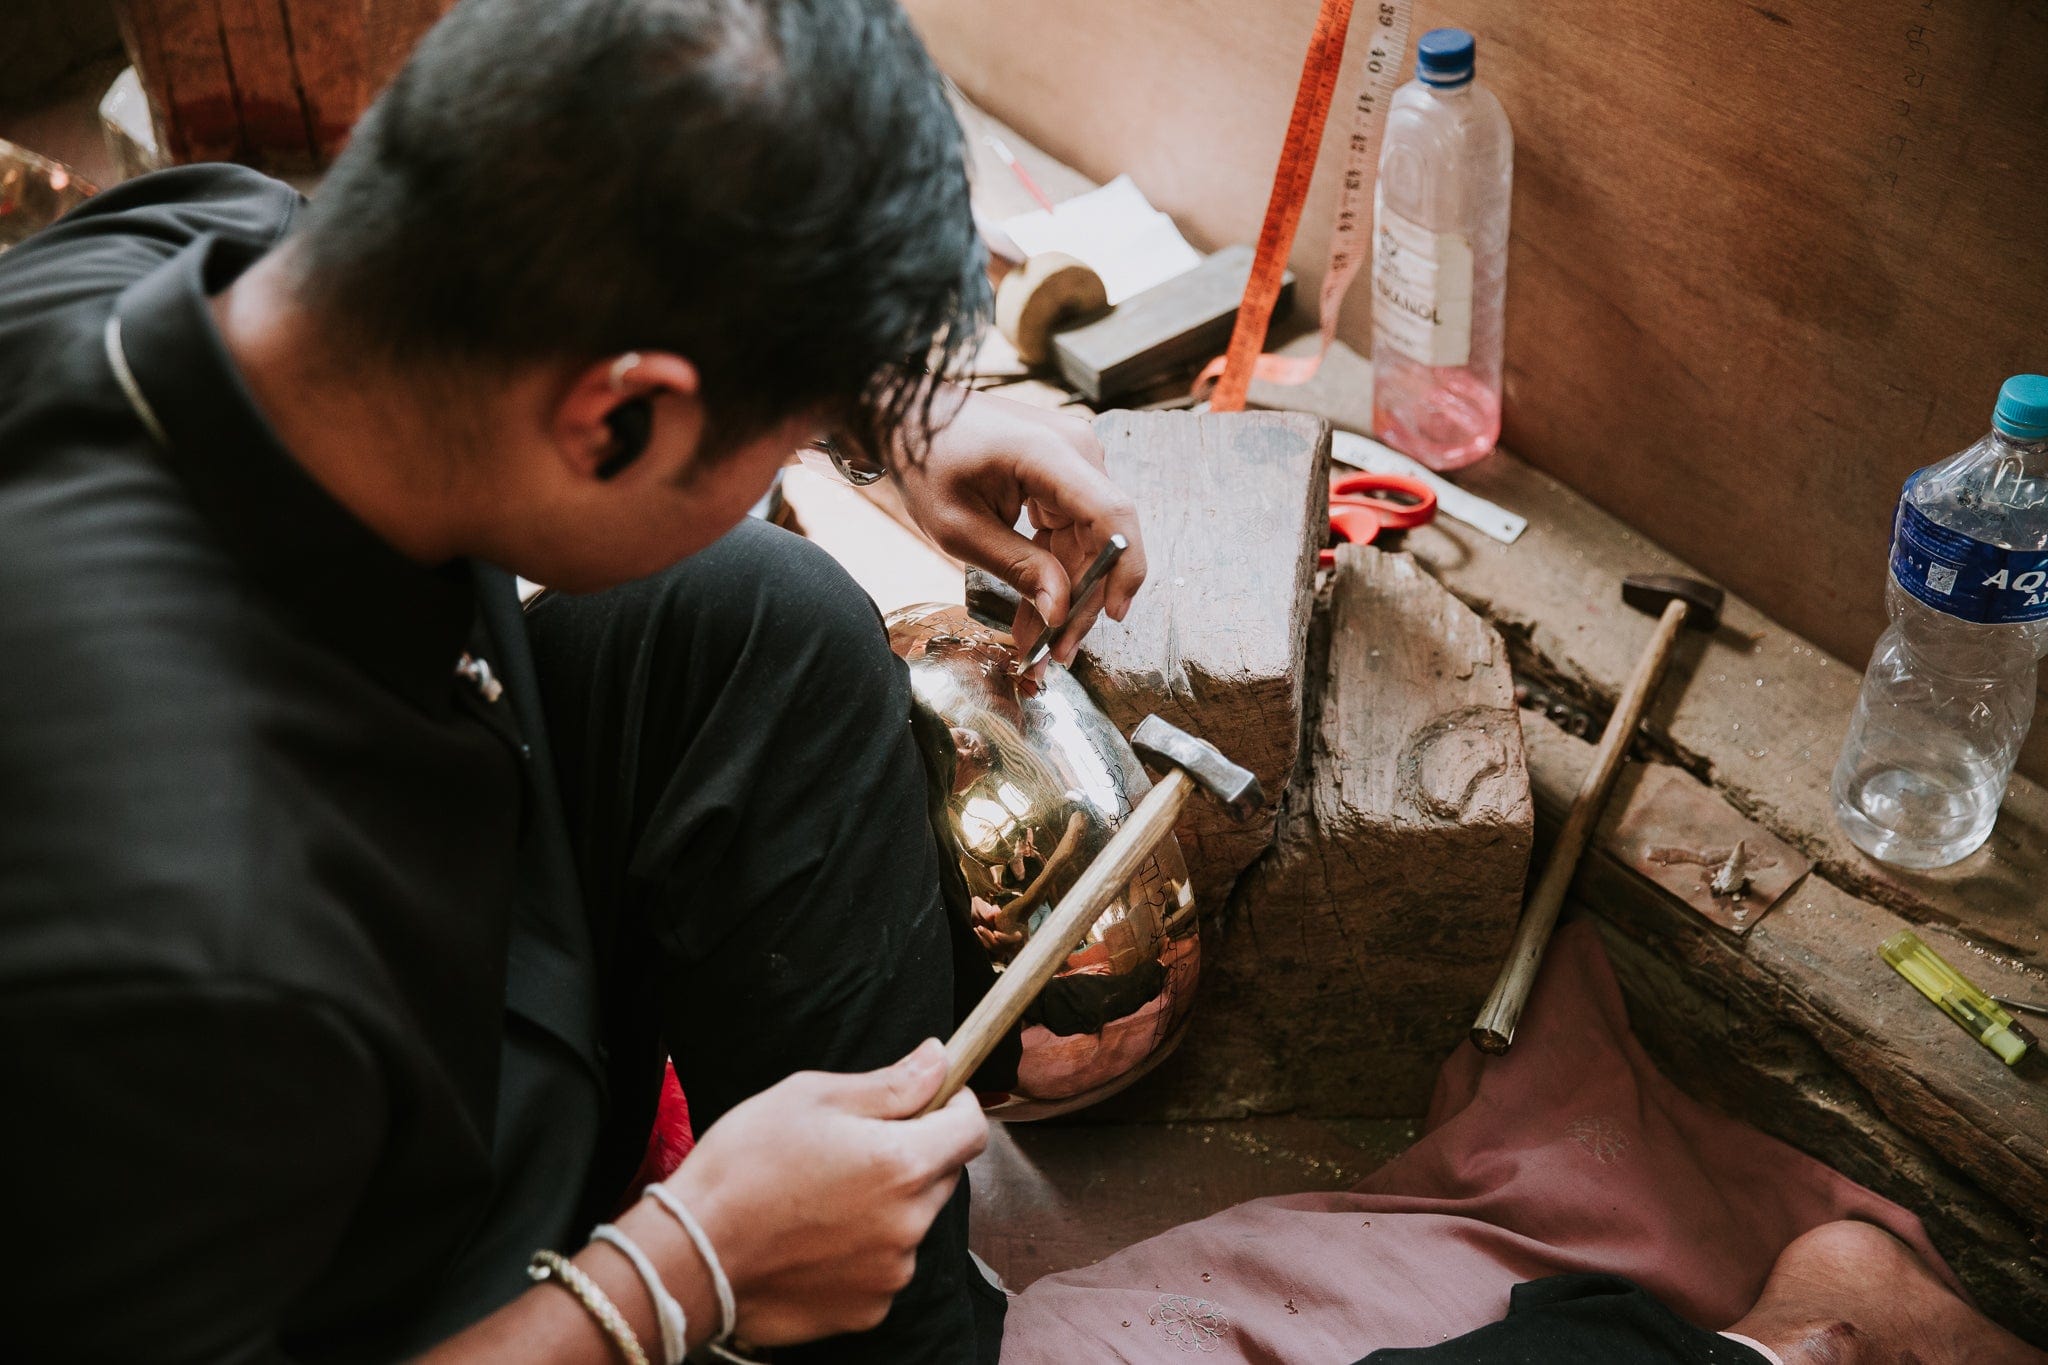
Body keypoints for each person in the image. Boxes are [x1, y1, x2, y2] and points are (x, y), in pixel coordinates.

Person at [0, 0, 1144, 1361]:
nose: (798, 455)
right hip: (323, 1230)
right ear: (613, 415)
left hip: (422, 922)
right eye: (775, 432)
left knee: (753, 624)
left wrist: (895, 419)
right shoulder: (196, 955)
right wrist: (679, 1270)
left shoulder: (197, 247)